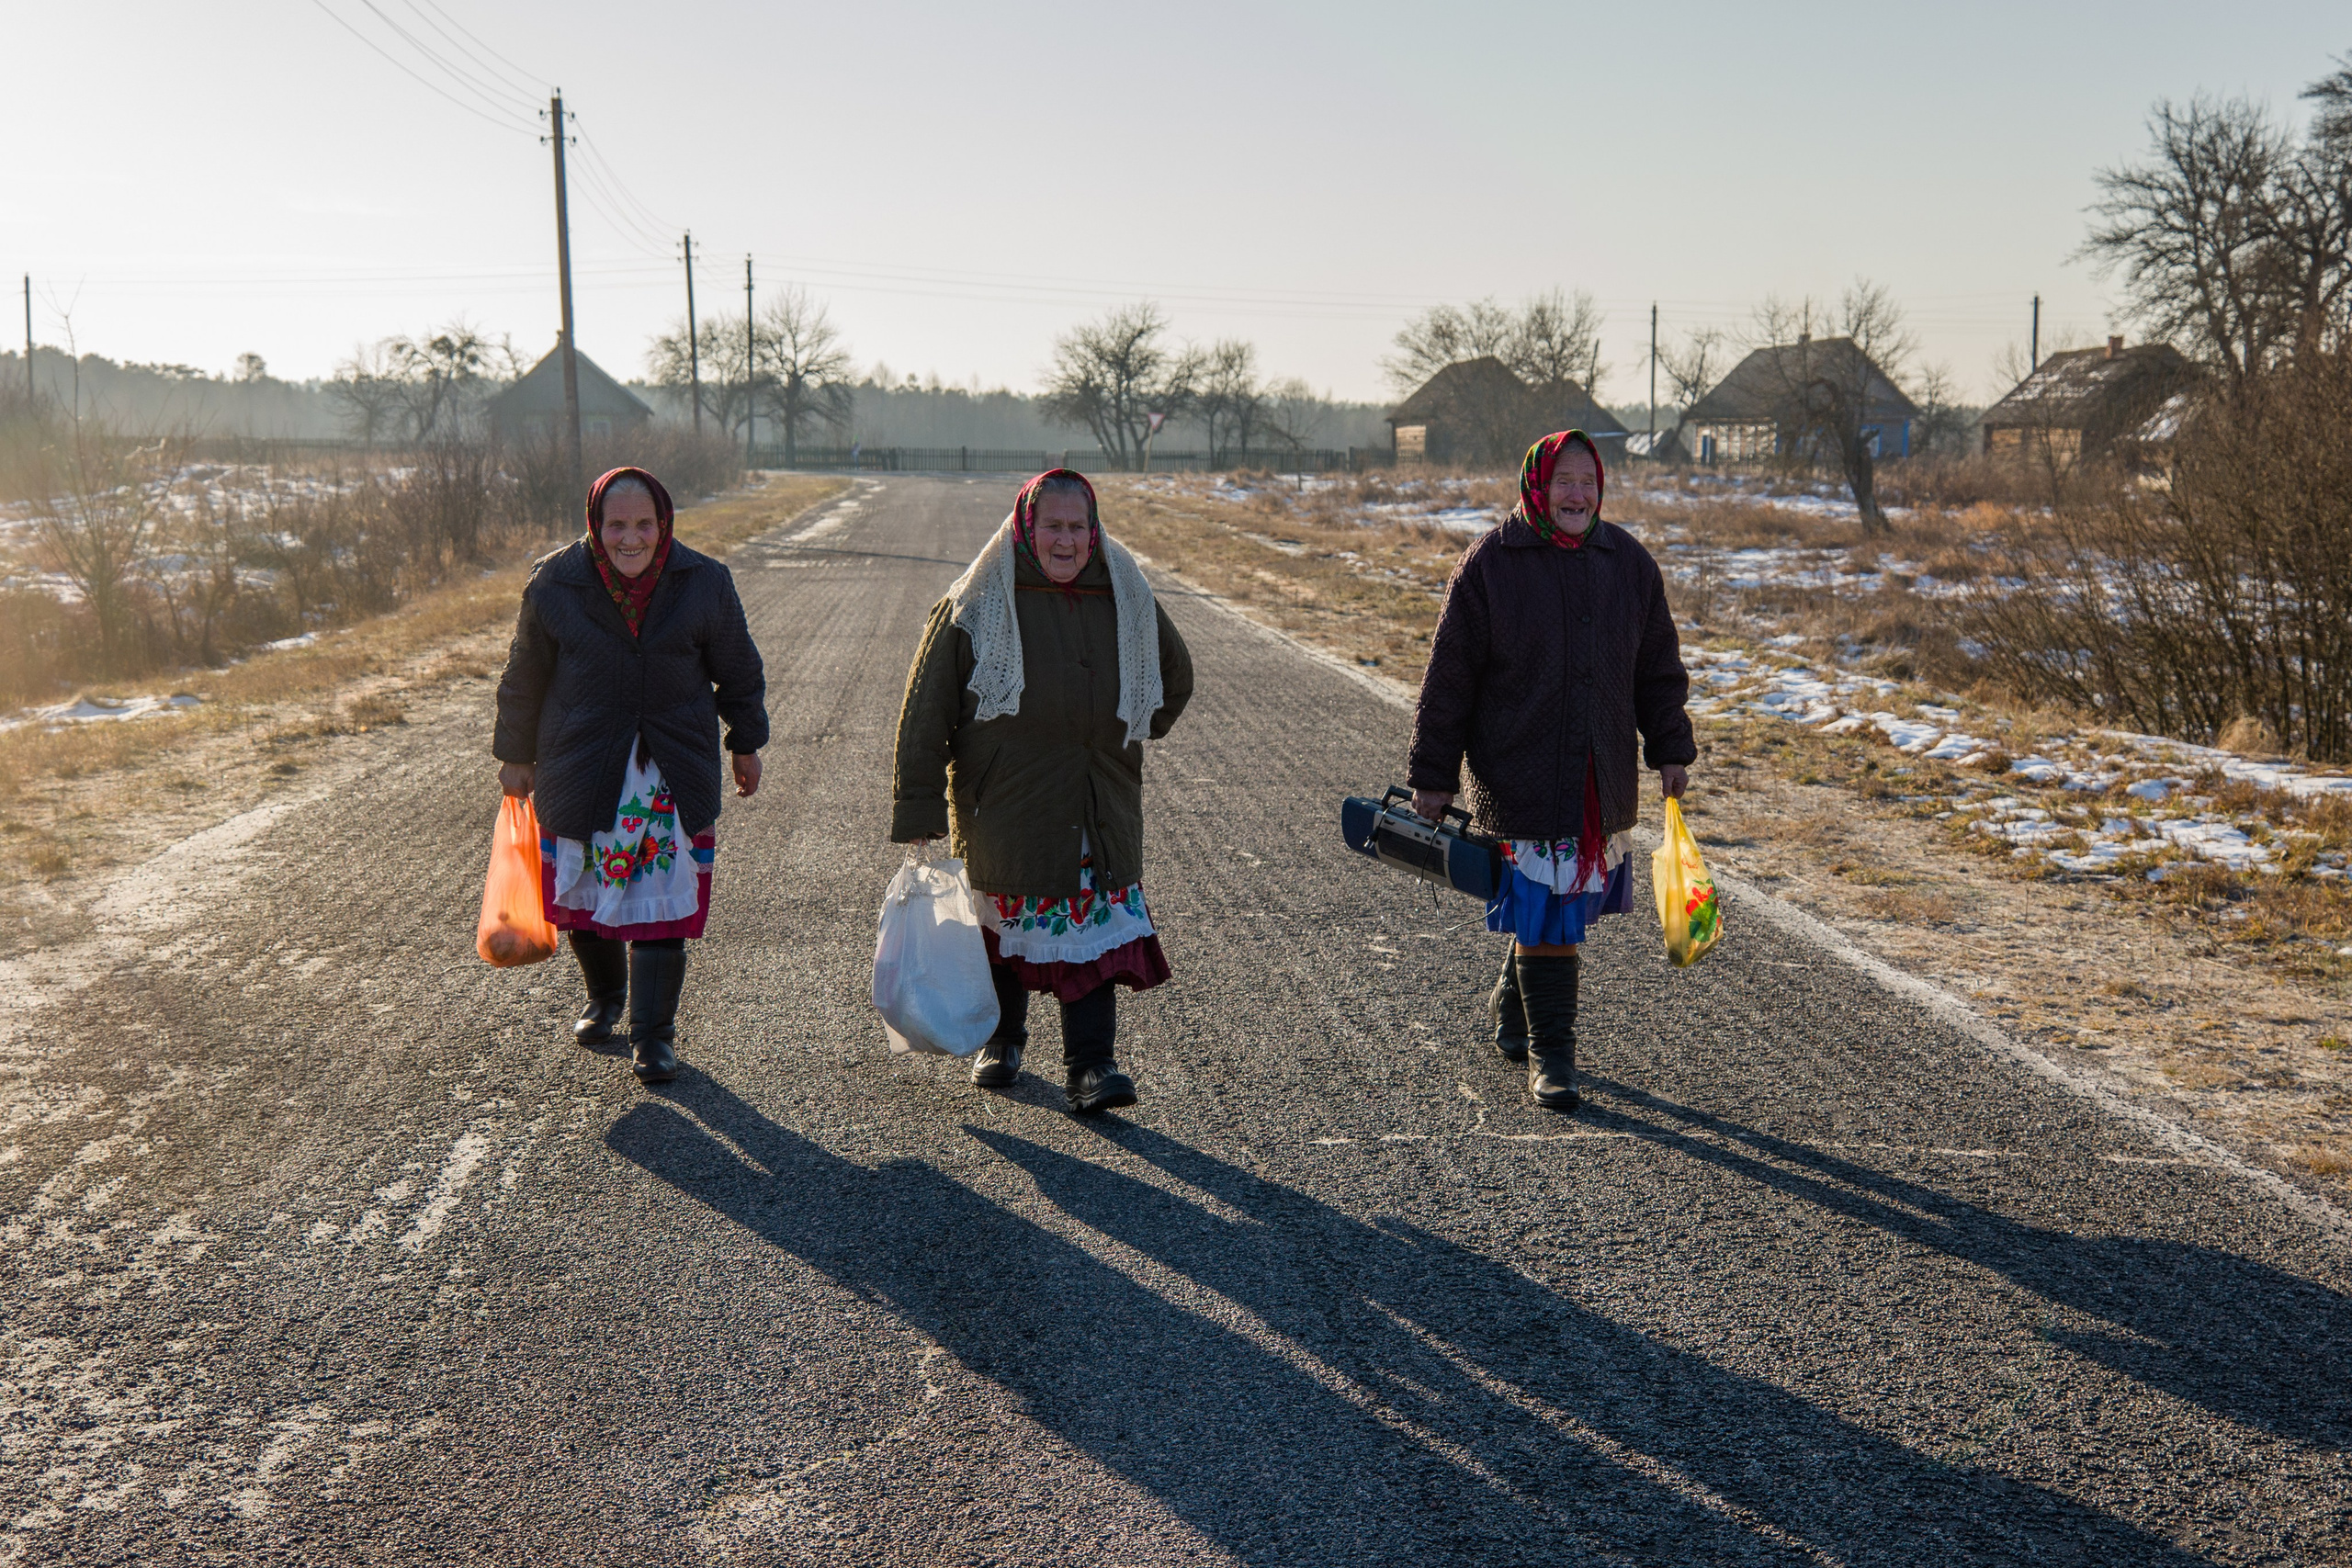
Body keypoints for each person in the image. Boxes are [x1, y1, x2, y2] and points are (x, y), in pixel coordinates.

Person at [1407, 431, 1694, 1111]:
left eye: (1587, 481)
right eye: (1563, 480)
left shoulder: (1628, 563)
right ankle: (1553, 1057)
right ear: (1536, 484)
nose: (1576, 494)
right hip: (1519, 774)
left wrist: (1672, 748)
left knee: (1554, 909)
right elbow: (1448, 680)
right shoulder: (1490, 564)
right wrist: (1432, 773)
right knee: (1549, 911)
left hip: (1597, 778)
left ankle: (1515, 1009)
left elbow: (1657, 670)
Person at [891, 469, 1193, 1113]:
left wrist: (1131, 721)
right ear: (1027, 527)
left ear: (1094, 529)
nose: (1065, 540)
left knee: (1094, 935)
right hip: (1004, 803)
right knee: (1003, 929)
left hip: (1094, 801)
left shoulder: (1126, 592)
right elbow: (927, 710)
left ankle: (1092, 1066)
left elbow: (1173, 676)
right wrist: (918, 807)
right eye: (1051, 525)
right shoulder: (976, 598)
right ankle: (1001, 1040)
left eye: (1076, 526)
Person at [493, 466, 768, 1084]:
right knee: (585, 900)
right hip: (583, 764)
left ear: (664, 523)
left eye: (644, 523)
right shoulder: (555, 583)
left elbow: (739, 670)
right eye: (616, 524)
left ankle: (653, 1035)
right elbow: (524, 676)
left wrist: (746, 741)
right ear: (595, 523)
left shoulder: (705, 582)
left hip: (668, 774)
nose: (630, 538)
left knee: (660, 911)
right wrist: (514, 753)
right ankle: (605, 999)